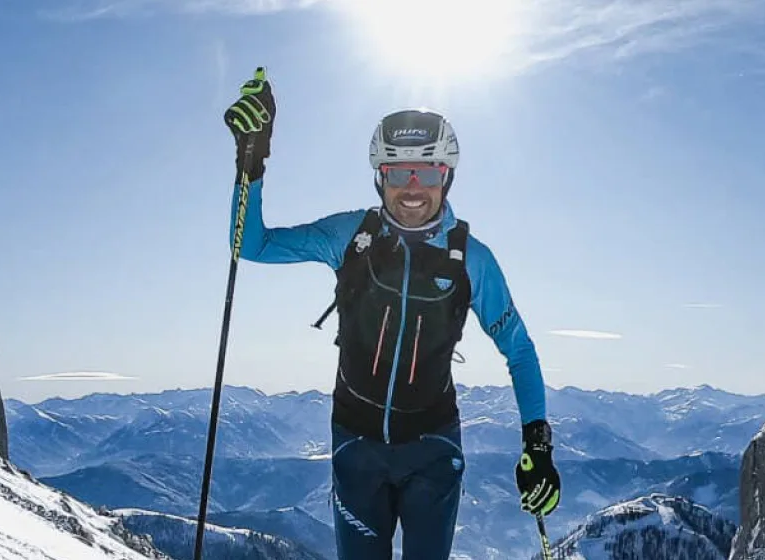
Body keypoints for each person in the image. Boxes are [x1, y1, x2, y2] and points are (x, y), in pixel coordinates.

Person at [222, 73, 560, 559]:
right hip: (355, 447)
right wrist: (251, 165)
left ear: (448, 176)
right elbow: (248, 243)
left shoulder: (473, 260)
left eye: (430, 173)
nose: (414, 188)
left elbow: (520, 351)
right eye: (400, 173)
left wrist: (538, 445)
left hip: (433, 450)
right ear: (381, 176)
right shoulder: (349, 237)